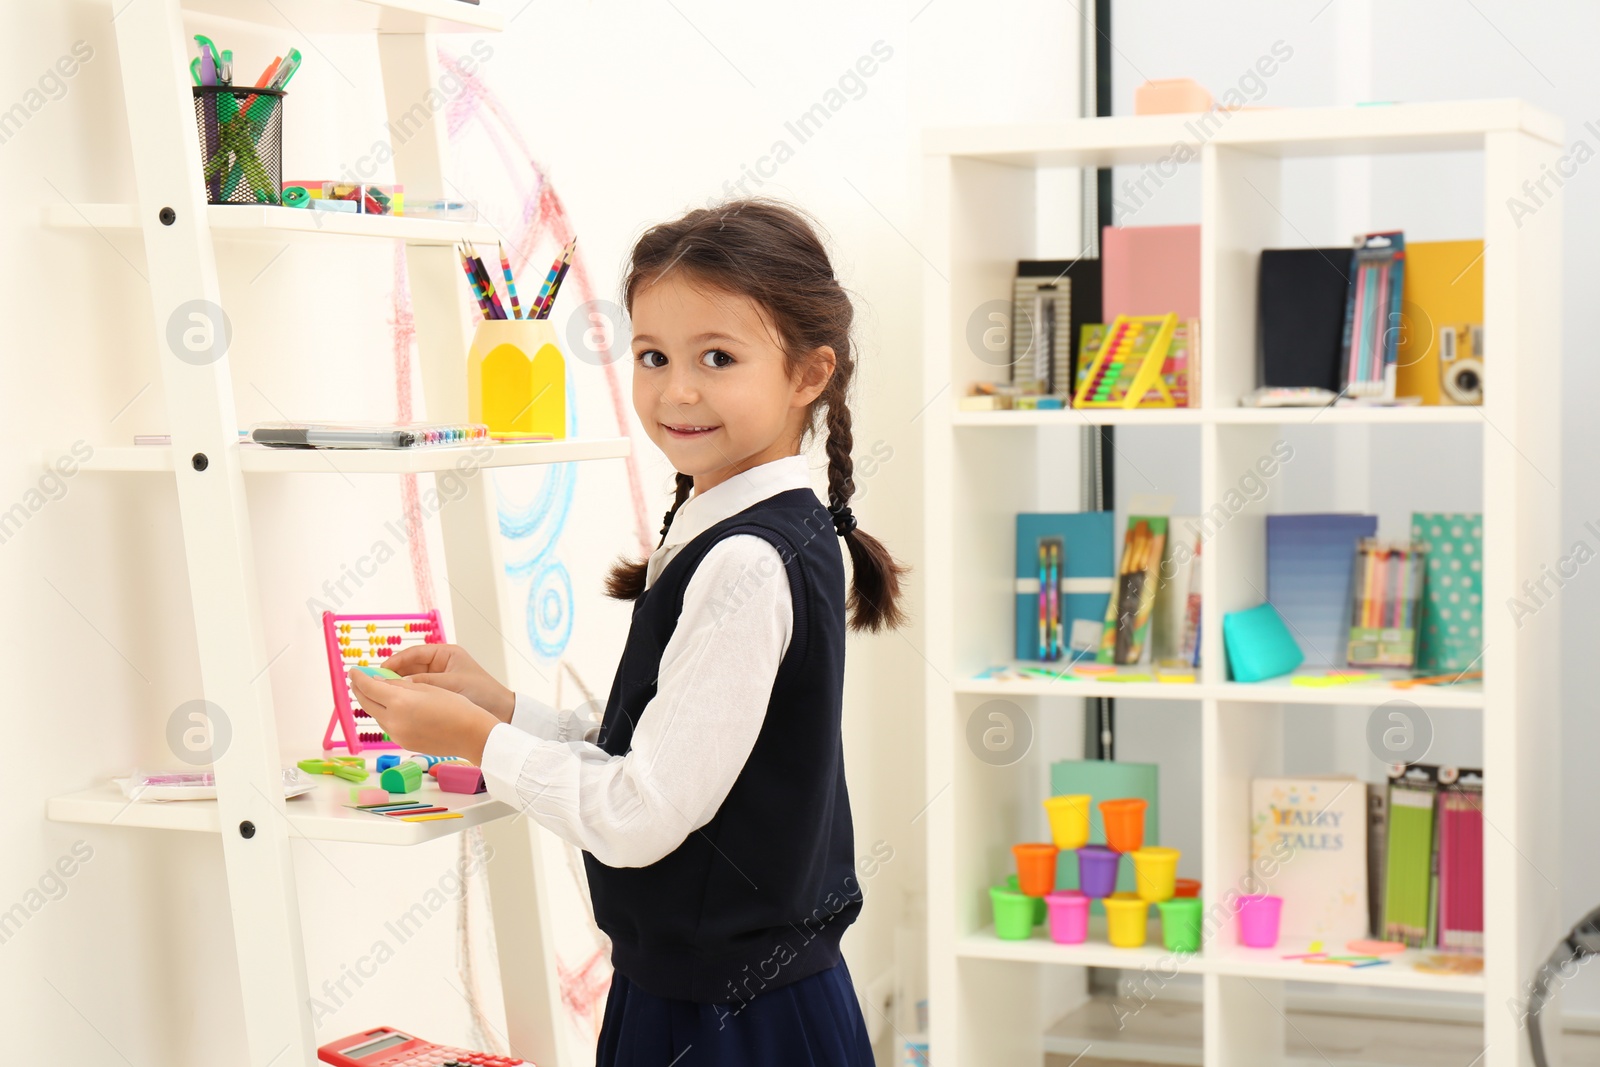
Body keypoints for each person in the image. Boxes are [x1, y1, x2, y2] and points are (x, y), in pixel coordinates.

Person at [349, 197, 909, 1066]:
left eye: (717, 357)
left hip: (733, 1021)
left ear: (809, 374)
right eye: (652, 356)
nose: (676, 390)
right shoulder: (750, 534)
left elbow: (641, 813)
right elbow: (668, 749)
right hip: (712, 996)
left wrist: (478, 738)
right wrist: (501, 704)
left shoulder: (744, 562)